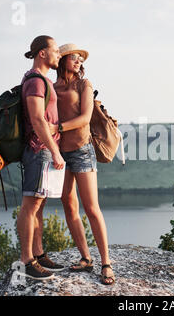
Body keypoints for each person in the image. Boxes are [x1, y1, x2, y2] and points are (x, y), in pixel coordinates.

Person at [51, 43, 116, 285]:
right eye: (74, 58)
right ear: (63, 59)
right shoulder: (52, 86)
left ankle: (106, 263)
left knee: (91, 208)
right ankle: (86, 258)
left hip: (81, 151)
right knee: (68, 203)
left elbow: (85, 118)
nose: (79, 62)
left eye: (81, 59)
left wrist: (57, 128)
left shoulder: (83, 85)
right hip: (59, 152)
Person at [16, 35, 65, 280]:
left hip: (44, 149)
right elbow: (37, 120)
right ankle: (27, 261)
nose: (59, 54)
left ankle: (38, 253)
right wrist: (54, 151)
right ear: (42, 53)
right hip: (39, 150)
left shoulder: (42, 80)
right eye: (55, 50)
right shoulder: (35, 81)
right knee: (30, 205)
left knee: (39, 205)